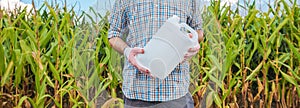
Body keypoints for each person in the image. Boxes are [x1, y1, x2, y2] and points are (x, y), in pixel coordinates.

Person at [107, 0, 204, 107]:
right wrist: (127, 51)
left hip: (176, 92)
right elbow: (113, 35)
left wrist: (193, 44)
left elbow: (198, 32)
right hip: (136, 93)